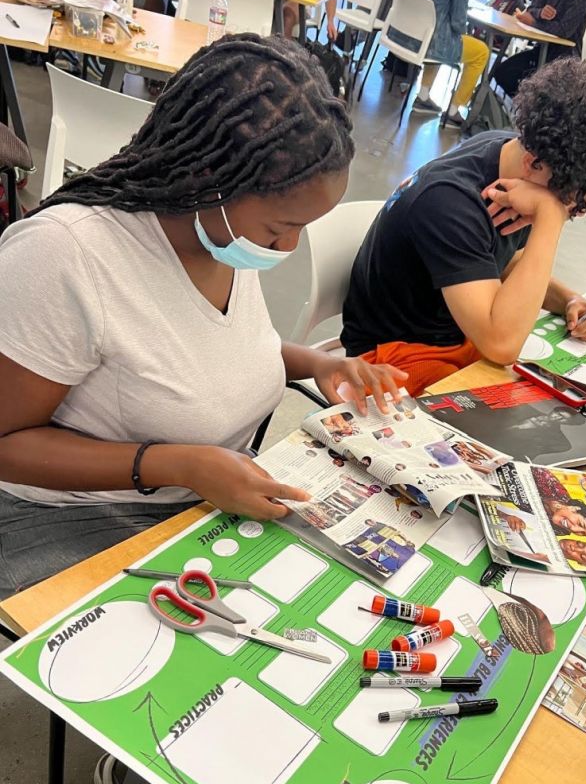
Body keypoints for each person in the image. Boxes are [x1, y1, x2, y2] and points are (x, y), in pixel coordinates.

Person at [0, 35, 407, 603]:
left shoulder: (218, 235)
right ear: (208, 180)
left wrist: (315, 363)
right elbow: (5, 441)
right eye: (277, 229)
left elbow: (204, 343)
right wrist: (179, 466)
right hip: (66, 512)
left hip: (191, 494)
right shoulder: (64, 256)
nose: (287, 248)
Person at [342, 58, 586, 394]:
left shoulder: (509, 154)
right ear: (533, 163)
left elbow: (495, 262)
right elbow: (501, 344)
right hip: (392, 360)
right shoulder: (449, 201)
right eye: (569, 202)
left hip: (460, 336)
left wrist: (570, 300)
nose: (573, 212)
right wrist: (550, 216)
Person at [408, 0, 490, 127]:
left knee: (439, 32)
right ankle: (453, 111)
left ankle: (423, 95)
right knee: (481, 51)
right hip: (431, 42)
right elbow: (457, 22)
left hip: (409, 34)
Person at [492, 0, 586, 99]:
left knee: (543, 92)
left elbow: (565, 30)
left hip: (565, 58)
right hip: (541, 50)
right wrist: (540, 13)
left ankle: (530, 108)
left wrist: (534, 23)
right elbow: (531, 9)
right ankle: (526, 107)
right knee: (503, 73)